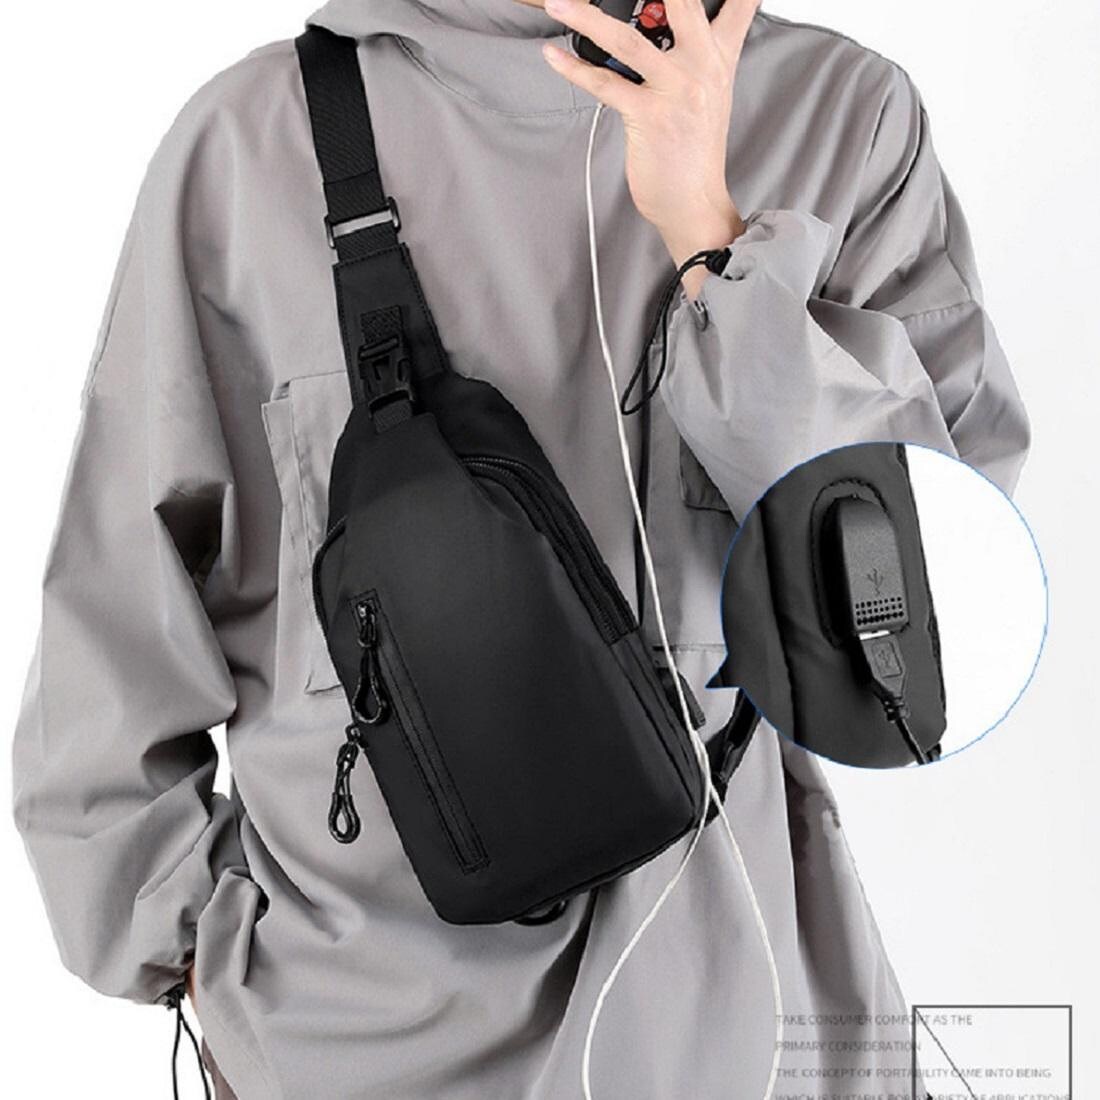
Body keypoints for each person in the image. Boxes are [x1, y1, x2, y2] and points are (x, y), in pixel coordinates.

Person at [12, 1, 1029, 1097]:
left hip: (735, 1037)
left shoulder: (838, 119)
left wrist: (714, 247)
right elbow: (113, 631)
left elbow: (931, 621)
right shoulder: (249, 146)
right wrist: (207, 961)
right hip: (354, 1049)